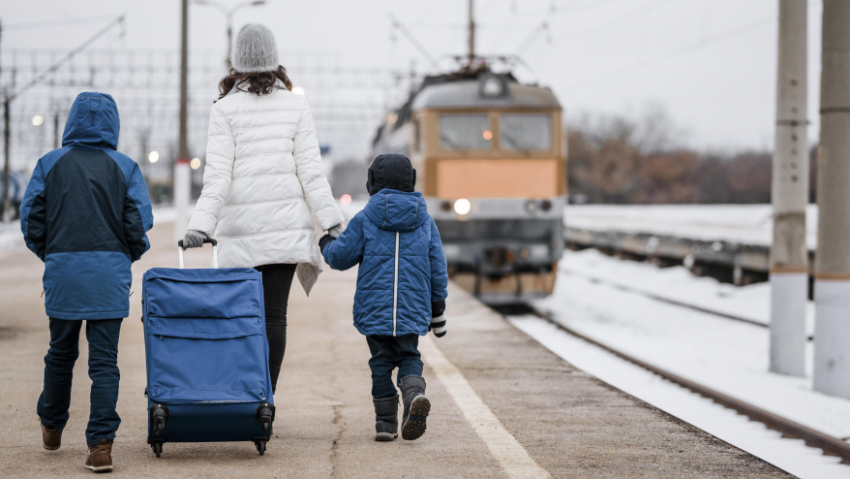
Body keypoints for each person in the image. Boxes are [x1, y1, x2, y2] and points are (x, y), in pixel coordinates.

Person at [183, 24, 344, 394]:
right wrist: (332, 222)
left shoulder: (224, 110)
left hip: (240, 236)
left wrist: (200, 226)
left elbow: (217, 178)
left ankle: (241, 395)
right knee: (274, 317)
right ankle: (264, 401)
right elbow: (311, 172)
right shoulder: (296, 104)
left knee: (241, 319)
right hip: (286, 234)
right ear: (274, 60)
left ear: (237, 63)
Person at [19, 92, 153, 473]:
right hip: (109, 275)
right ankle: (100, 446)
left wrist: (52, 254)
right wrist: (129, 255)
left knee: (60, 353)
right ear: (113, 123)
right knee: (104, 363)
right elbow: (137, 224)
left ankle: (52, 423)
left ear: (71, 122)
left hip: (63, 272)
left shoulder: (50, 163)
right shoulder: (125, 167)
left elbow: (31, 221)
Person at [319, 153, 448, 441]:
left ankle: (385, 425)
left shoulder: (365, 219)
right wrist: (437, 310)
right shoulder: (425, 220)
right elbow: (438, 268)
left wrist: (326, 242)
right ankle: (414, 392)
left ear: (372, 183)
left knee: (380, 362)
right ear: (411, 181)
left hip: (374, 308)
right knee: (409, 355)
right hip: (413, 308)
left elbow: (340, 258)